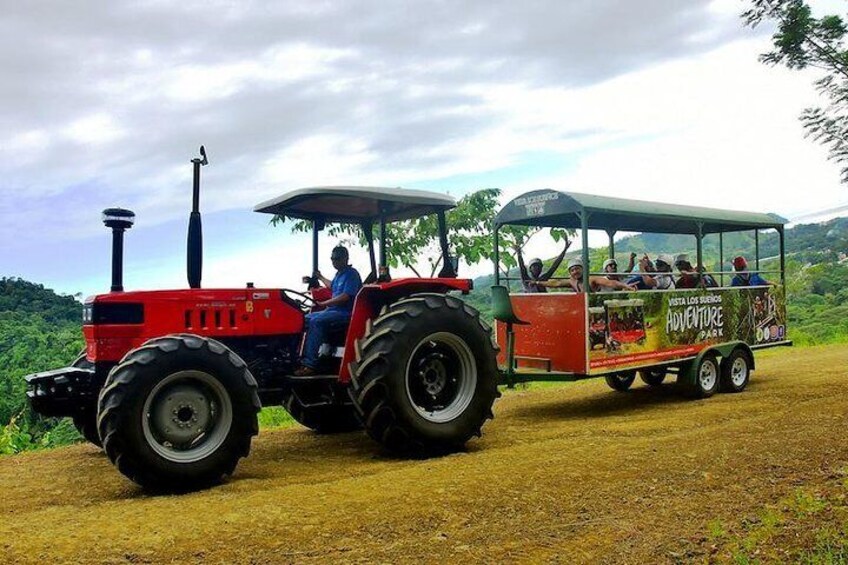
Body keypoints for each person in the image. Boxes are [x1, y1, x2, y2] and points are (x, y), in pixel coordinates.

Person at [294, 245, 362, 376]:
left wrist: (324, 303)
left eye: (337, 258)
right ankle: (295, 357)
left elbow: (345, 296)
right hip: (332, 311)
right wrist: (320, 277)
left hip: (345, 313)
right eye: (332, 259)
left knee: (316, 321)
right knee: (303, 318)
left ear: (345, 258)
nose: (334, 261)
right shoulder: (339, 274)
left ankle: (309, 364)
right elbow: (332, 285)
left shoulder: (351, 274)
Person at [539, 257, 636, 293]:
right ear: (570, 273)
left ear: (583, 269)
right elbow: (556, 283)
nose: (575, 272)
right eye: (572, 270)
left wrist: (625, 285)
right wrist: (538, 283)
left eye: (577, 269)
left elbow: (611, 283)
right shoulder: (572, 281)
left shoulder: (591, 279)